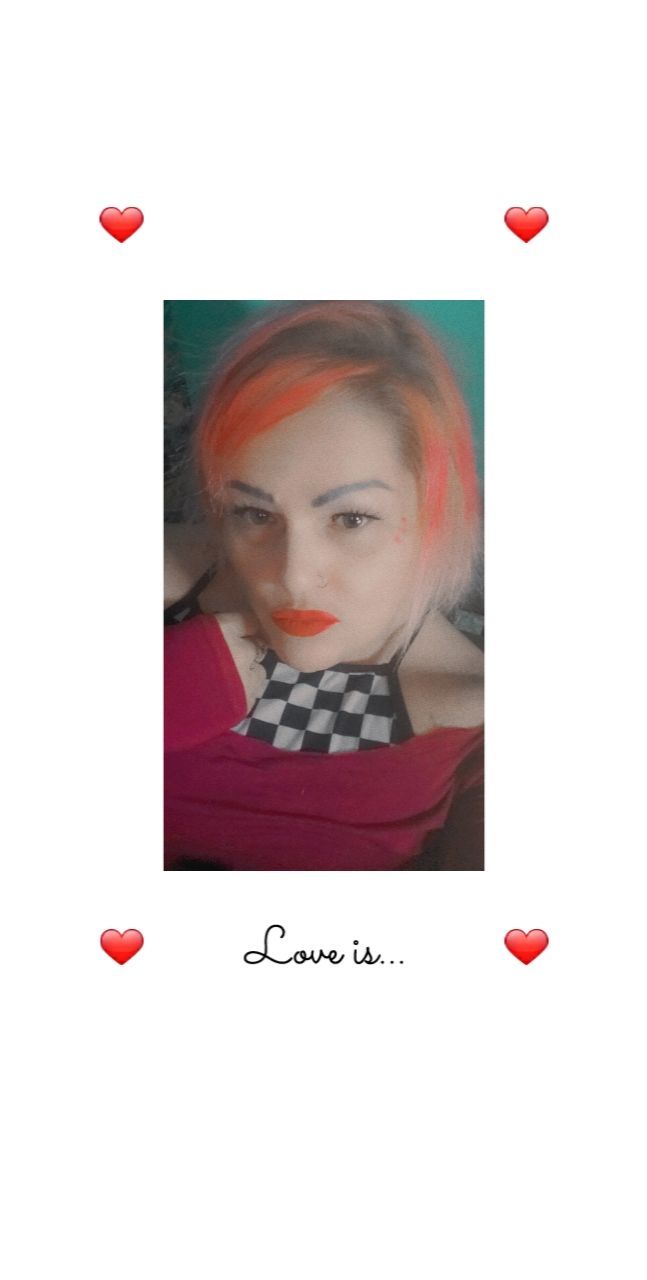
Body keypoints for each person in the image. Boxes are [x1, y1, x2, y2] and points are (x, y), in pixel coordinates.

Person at [165, 301, 483, 871]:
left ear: (436, 514)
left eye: (350, 518)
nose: (291, 576)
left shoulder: (474, 716)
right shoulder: (168, 580)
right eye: (255, 514)